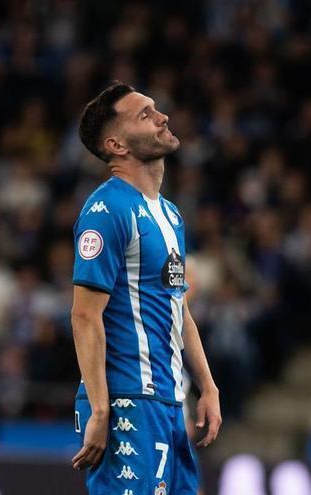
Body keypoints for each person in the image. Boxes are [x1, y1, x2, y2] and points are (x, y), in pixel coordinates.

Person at [71, 83, 222, 494]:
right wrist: (101, 408)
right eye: (145, 114)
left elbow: (179, 309)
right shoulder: (107, 210)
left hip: (169, 403)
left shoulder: (170, 215)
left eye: (156, 109)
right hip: (126, 402)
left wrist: (207, 386)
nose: (162, 117)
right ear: (116, 144)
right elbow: (85, 314)